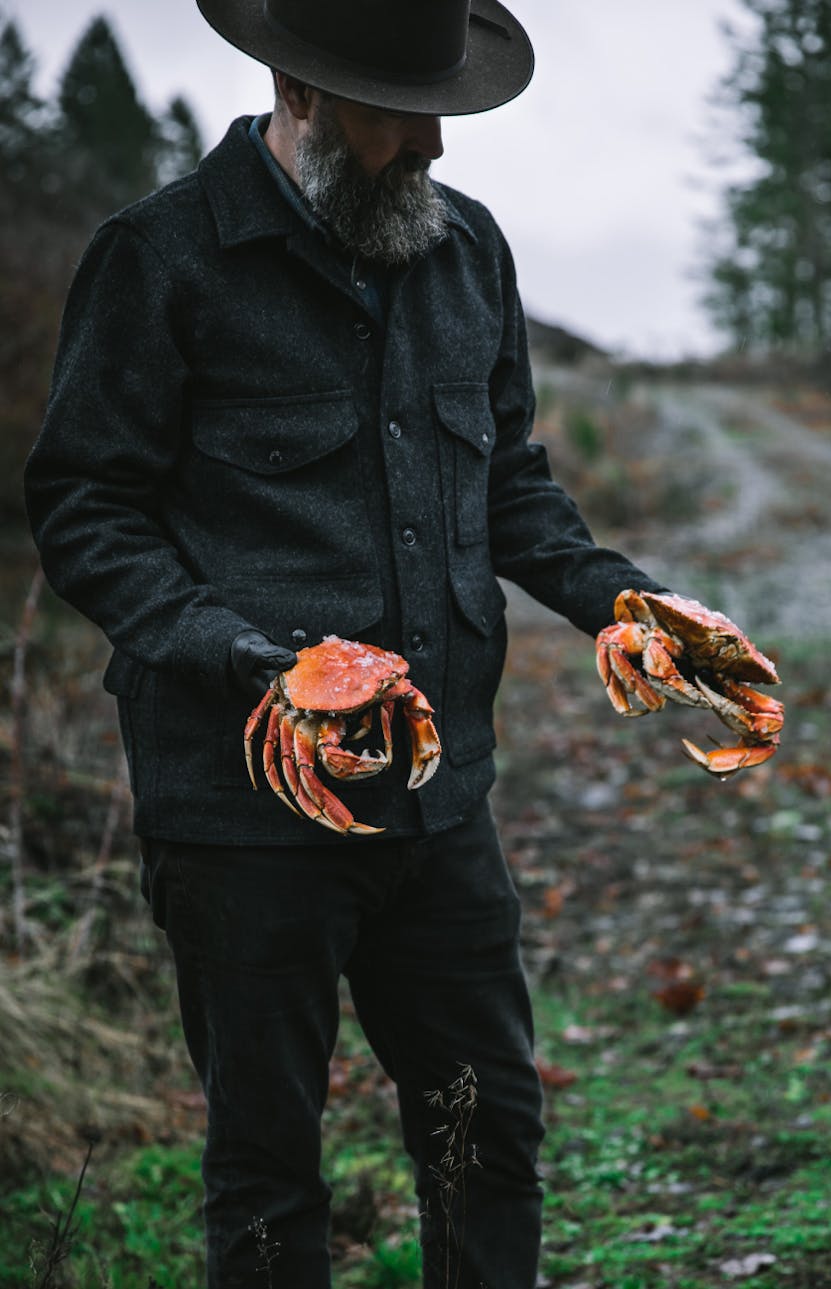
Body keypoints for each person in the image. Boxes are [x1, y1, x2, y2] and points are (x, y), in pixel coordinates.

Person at [24, 1, 671, 1285]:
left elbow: (510, 485)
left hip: (441, 803)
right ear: (300, 91)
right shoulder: (160, 258)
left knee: (481, 1129)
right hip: (241, 814)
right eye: (398, 111)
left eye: (440, 107)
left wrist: (622, 602)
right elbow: (85, 504)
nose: (432, 141)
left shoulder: (467, 253)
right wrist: (231, 648)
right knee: (269, 1165)